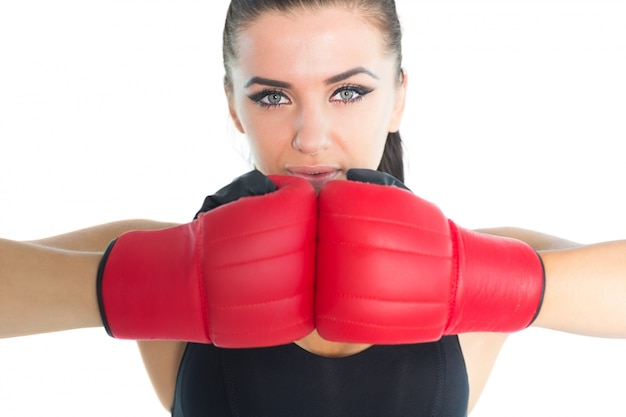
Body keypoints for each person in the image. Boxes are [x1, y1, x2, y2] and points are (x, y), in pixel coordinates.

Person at [1, 0, 625, 416]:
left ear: (400, 97)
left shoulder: (477, 259)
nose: (311, 137)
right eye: (272, 97)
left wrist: (493, 283)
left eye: (349, 91)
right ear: (231, 105)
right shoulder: (159, 253)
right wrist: (140, 282)